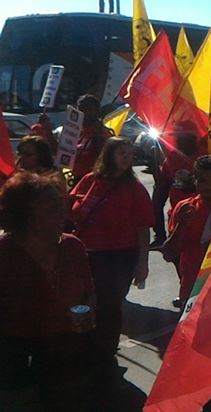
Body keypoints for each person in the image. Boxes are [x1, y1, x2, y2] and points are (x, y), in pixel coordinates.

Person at [0, 173, 96, 411]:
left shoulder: (73, 246)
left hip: (64, 348)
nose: (63, 212)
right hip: (15, 349)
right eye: (52, 207)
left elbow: (89, 292)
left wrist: (88, 312)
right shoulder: (5, 252)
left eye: (61, 204)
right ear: (26, 214)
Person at [69, 137, 153, 364]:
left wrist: (142, 263)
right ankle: (85, 341)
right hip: (87, 252)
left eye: (130, 154)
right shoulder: (89, 181)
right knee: (84, 300)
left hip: (120, 255)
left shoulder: (133, 188)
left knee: (110, 303)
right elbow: (70, 209)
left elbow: (143, 229)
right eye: (122, 154)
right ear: (109, 155)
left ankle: (105, 347)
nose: (127, 159)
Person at [162, 155, 211, 308]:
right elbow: (169, 254)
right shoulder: (184, 208)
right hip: (193, 289)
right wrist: (182, 225)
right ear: (194, 180)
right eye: (203, 180)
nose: (209, 185)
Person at [150, 125, 201, 248]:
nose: (180, 141)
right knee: (156, 203)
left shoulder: (203, 154)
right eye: (179, 138)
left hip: (198, 206)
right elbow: (164, 179)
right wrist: (155, 160)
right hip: (177, 209)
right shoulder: (173, 156)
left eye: (184, 138)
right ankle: (160, 236)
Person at [72, 94, 114, 181]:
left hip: (96, 180)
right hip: (77, 180)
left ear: (96, 111)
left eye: (88, 108)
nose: (83, 112)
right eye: (80, 108)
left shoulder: (104, 132)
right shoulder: (74, 131)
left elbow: (108, 157)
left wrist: (97, 136)